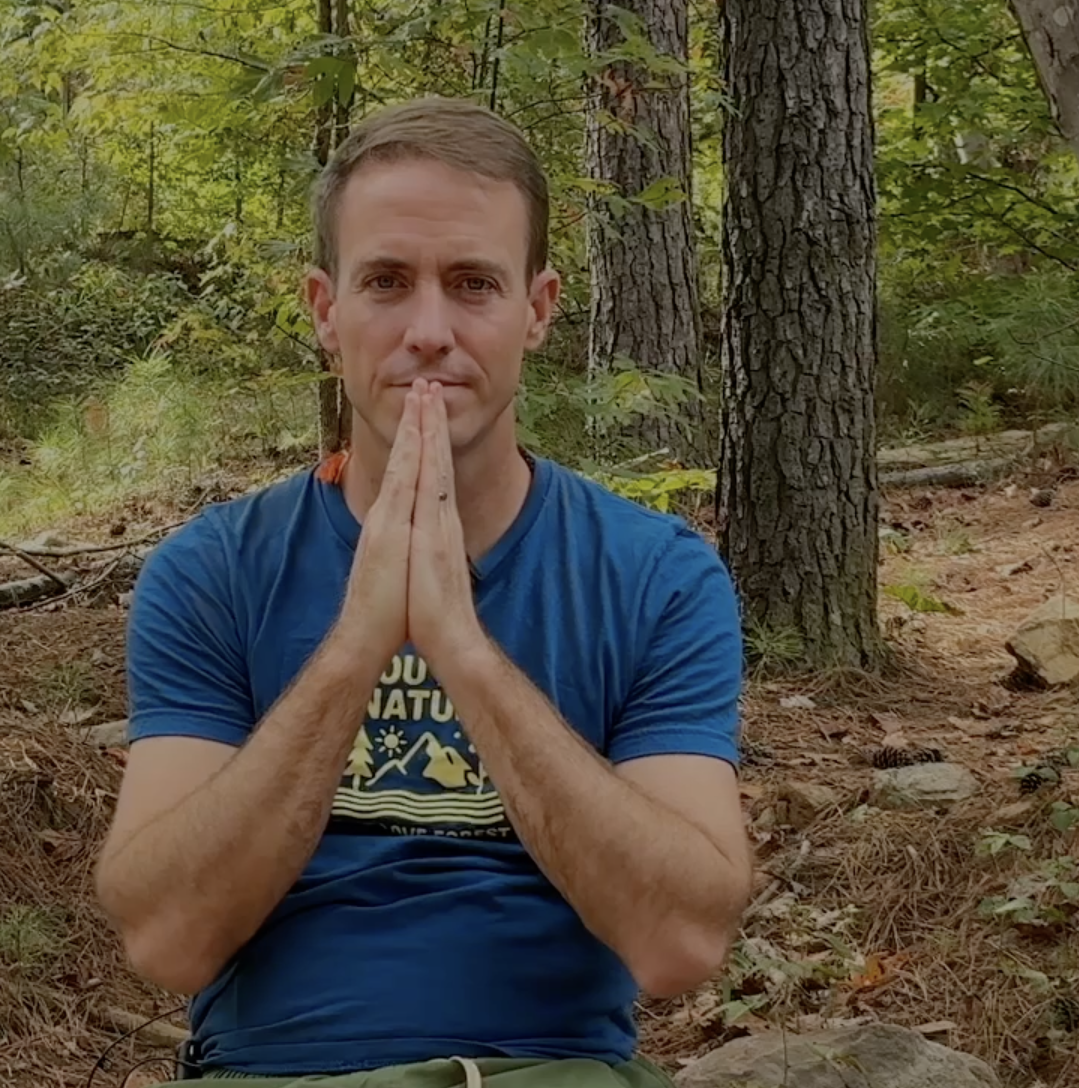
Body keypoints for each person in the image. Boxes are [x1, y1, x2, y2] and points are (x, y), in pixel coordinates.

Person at [95, 96, 753, 1088]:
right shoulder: (217, 568)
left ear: (536, 307)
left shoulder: (652, 573)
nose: (430, 330)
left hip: (556, 1071)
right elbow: (164, 937)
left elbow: (681, 942)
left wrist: (463, 648)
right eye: (388, 282)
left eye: (474, 284)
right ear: (326, 308)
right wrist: (357, 643)